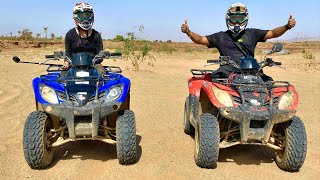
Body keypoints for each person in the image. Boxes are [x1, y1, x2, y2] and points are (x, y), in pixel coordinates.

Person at [181, 2, 296, 81]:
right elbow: (201, 39)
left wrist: (287, 26)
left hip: (251, 70)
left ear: (245, 19)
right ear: (228, 18)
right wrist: (189, 32)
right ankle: (213, 113)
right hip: (227, 70)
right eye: (233, 18)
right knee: (215, 81)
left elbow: (273, 33)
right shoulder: (220, 36)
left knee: (269, 83)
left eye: (240, 18)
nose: (236, 22)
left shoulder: (252, 33)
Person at [62, 2, 105, 75]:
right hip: (74, 64)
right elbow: (68, 54)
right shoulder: (70, 34)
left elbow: (99, 54)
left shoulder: (96, 35)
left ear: (92, 16)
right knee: (63, 78)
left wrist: (97, 59)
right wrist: (67, 64)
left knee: (102, 76)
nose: (85, 18)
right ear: (75, 18)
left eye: (87, 15)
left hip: (93, 65)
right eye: (81, 15)